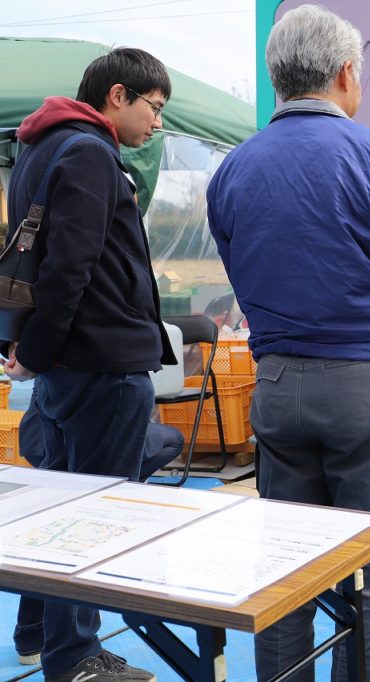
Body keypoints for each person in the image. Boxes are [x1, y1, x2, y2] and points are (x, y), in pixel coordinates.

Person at [205, 5, 370, 681]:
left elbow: (242, 273)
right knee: (369, 570)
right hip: (365, 383)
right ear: (345, 74)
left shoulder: (234, 170)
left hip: (277, 385)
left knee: (286, 568)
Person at [3, 48, 176, 682]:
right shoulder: (92, 153)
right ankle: (74, 658)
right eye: (154, 109)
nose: (155, 124)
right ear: (119, 96)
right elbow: (68, 267)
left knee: (55, 509)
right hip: (100, 362)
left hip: (65, 365)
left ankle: (32, 632)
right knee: (92, 517)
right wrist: (39, 351)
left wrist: (32, 351)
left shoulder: (39, 147)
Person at [12, 394, 185, 666]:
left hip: (58, 429)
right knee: (79, 532)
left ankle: (35, 634)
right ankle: (72, 653)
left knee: (58, 530)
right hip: (91, 421)